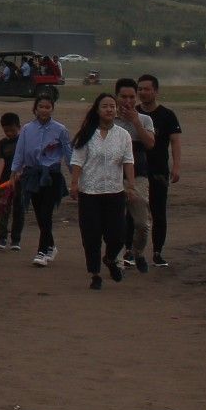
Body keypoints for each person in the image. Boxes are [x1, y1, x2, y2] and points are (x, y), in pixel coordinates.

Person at [69, 92, 136, 289]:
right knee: (91, 235)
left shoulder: (123, 135)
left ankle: (110, 258)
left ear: (116, 111)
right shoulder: (87, 134)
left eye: (112, 106)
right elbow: (77, 161)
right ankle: (95, 274)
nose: (109, 109)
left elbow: (128, 161)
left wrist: (130, 185)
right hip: (89, 192)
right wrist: (74, 184)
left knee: (118, 234)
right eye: (105, 106)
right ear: (97, 110)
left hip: (114, 191)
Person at [8, 90, 72, 266]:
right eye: (41, 107)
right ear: (35, 109)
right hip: (32, 175)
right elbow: (20, 152)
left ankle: (42, 251)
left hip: (51, 176)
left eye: (48, 107)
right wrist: (14, 172)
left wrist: (76, 177)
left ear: (52, 109)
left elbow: (69, 155)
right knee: (39, 214)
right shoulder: (27, 129)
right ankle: (50, 245)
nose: (44, 110)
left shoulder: (60, 130)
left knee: (46, 213)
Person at [136, 73, 182, 267]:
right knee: (134, 212)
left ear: (155, 91)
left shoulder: (167, 115)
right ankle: (132, 251)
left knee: (158, 212)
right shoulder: (134, 114)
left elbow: (175, 141)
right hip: (137, 171)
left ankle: (157, 252)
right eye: (140, 89)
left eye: (147, 89)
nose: (142, 93)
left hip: (158, 170)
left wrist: (177, 166)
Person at [114, 77, 157, 272]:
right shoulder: (109, 118)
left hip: (138, 175)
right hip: (112, 175)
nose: (128, 101)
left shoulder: (145, 119)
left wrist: (136, 121)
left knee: (141, 222)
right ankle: (114, 257)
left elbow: (150, 144)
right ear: (116, 97)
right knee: (114, 220)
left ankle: (137, 252)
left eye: (132, 96)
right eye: (124, 96)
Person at [0, 111, 24, 251]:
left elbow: (26, 160)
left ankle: (16, 240)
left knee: (18, 209)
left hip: (20, 181)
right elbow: (1, 160)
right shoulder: (1, 144)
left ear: (19, 127)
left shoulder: (24, 141)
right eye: (6, 131)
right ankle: (2, 237)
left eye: (12, 130)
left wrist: (19, 173)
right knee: (3, 208)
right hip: (5, 181)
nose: (9, 133)